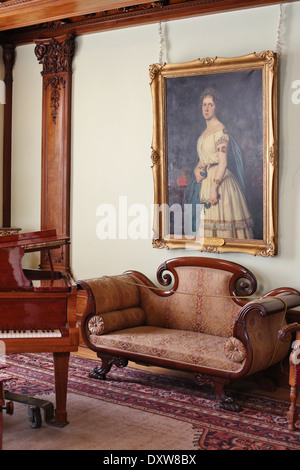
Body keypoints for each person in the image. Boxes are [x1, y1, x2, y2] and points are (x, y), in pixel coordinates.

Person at [185, 88, 253, 239]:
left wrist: (214, 188)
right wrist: (197, 170)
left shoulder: (220, 131)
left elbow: (222, 163)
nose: (206, 108)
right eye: (204, 105)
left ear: (217, 108)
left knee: (224, 231)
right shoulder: (204, 133)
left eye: (211, 105)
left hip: (220, 184)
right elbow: (203, 160)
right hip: (206, 183)